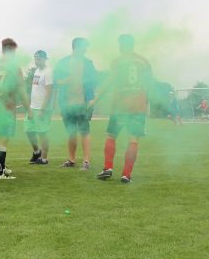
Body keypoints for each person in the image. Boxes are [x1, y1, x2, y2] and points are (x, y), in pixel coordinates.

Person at [90, 34, 153, 183]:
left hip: (120, 107)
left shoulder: (118, 61)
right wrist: (146, 103)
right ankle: (126, 174)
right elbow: (149, 85)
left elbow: (109, 81)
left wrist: (95, 100)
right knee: (133, 139)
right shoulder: (144, 61)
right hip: (138, 107)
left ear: (122, 45)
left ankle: (108, 168)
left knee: (111, 136)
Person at [54, 37, 97, 170]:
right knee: (71, 132)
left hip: (83, 103)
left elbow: (94, 82)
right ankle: (71, 160)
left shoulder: (88, 63)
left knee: (84, 131)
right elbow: (56, 81)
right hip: (67, 105)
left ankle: (86, 161)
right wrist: (64, 81)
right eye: (84, 47)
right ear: (77, 47)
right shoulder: (63, 62)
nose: (86, 50)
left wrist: (92, 99)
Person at [0, 38, 29, 180]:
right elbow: (22, 91)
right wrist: (29, 110)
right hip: (6, 108)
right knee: (3, 139)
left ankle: (2, 167)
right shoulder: (14, 68)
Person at [24, 50, 54, 165]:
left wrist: (43, 109)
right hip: (33, 107)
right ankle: (37, 152)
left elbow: (49, 92)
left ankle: (44, 158)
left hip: (42, 108)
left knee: (42, 133)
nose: (36, 60)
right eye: (35, 58)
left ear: (45, 59)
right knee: (28, 130)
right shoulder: (36, 71)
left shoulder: (48, 71)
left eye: (39, 58)